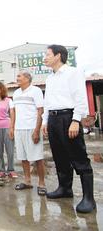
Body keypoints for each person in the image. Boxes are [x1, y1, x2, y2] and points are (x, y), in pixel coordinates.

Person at [42, 44, 95, 213]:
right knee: (59, 156)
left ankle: (89, 198)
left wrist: (75, 120)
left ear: (58, 56)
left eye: (48, 54)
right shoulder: (50, 78)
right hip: (53, 119)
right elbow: (47, 102)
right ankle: (65, 189)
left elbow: (80, 97)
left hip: (68, 117)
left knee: (78, 156)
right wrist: (45, 121)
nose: (45, 57)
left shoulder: (73, 72)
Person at [10, 71, 46, 196]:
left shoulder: (35, 91)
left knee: (37, 158)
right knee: (23, 158)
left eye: (19, 76)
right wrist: (12, 128)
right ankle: (27, 181)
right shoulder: (16, 93)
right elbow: (14, 112)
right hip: (19, 129)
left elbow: (40, 110)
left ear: (27, 78)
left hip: (32, 128)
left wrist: (37, 130)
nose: (17, 78)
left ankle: (42, 184)